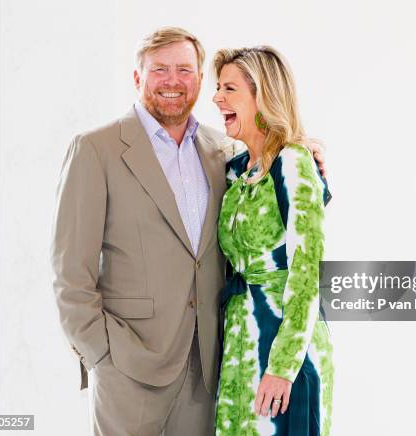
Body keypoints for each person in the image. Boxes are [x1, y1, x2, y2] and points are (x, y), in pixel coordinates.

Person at [50, 27, 326, 436]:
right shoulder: (96, 149)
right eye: (159, 69)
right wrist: (100, 354)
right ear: (137, 77)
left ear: (198, 79)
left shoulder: (226, 153)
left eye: (185, 69)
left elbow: (276, 208)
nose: (173, 81)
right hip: (128, 369)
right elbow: (70, 271)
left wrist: (309, 160)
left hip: (210, 369)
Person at [213, 46, 334, 435]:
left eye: (229, 89)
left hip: (285, 350)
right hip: (240, 346)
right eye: (218, 87)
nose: (217, 98)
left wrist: (282, 367)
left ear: (261, 96)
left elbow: (306, 270)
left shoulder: (294, 161)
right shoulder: (235, 171)